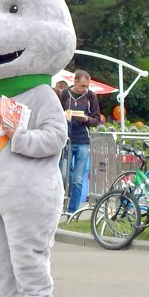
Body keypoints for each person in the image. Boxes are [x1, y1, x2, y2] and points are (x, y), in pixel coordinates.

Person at [58, 70, 102, 214]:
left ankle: (72, 211)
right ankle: (59, 206)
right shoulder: (64, 94)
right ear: (75, 81)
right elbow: (55, 113)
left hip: (83, 140)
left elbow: (96, 119)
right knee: (63, 175)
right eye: (82, 85)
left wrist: (86, 119)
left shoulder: (90, 96)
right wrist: (64, 117)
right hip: (66, 139)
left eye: (87, 86)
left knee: (77, 179)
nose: (84, 89)